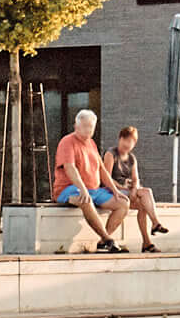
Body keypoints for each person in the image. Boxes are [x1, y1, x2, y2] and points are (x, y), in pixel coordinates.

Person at [49, 106, 126, 252]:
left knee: (123, 203)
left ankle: (103, 242)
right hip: (68, 189)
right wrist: (83, 189)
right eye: (84, 126)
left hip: (94, 190)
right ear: (76, 126)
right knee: (85, 198)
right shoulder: (67, 142)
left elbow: (102, 170)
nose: (88, 130)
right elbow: (70, 168)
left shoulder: (92, 143)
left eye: (91, 127)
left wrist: (115, 190)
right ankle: (108, 239)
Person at [106, 125, 168, 253]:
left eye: (132, 142)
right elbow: (105, 177)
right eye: (126, 140)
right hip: (113, 191)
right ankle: (155, 224)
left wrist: (134, 189)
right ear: (120, 139)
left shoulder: (132, 158)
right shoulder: (111, 154)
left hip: (127, 192)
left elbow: (136, 179)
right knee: (146, 193)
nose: (128, 144)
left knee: (144, 203)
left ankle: (147, 242)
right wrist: (121, 186)